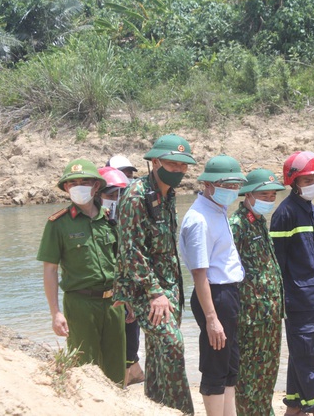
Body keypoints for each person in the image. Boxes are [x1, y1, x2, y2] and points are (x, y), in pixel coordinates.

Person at [112, 135, 195, 413]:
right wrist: (154, 292)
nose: (179, 171)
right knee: (173, 346)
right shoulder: (136, 196)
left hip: (169, 289)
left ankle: (156, 407)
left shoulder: (167, 195)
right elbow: (131, 251)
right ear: (155, 162)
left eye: (184, 166)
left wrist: (168, 292)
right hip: (148, 291)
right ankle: (182, 411)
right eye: (173, 164)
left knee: (160, 356)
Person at [36, 159, 126, 384]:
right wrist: (55, 313)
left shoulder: (110, 220)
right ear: (66, 188)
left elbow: (121, 262)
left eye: (84, 181)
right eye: (72, 183)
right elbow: (50, 270)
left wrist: (128, 297)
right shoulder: (58, 223)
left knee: (116, 370)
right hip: (80, 306)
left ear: (96, 186)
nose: (78, 186)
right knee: (84, 371)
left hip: (114, 303)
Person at [179, 154, 247, 416]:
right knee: (215, 362)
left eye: (234, 186)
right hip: (214, 296)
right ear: (207, 185)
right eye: (225, 186)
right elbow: (200, 274)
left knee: (230, 363)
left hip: (227, 293)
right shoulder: (199, 219)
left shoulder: (217, 211)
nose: (231, 191)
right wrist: (211, 318)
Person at [270, 151, 314, 416]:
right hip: (298, 298)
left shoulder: (310, 208)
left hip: (313, 294)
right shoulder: (285, 213)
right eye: (307, 179)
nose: (313, 183)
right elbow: (278, 261)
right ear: (293, 182)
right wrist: (282, 299)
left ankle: (293, 407)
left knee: (301, 352)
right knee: (309, 355)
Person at [229, 168, 286, 416]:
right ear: (249, 195)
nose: (269, 200)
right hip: (250, 317)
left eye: (273, 195)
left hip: (270, 315)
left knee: (268, 370)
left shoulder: (259, 222)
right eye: (264, 194)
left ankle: (264, 411)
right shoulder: (237, 224)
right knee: (249, 374)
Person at [98, 166, 145, 386]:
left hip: (126, 294)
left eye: (120, 194)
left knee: (130, 338)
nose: (115, 200)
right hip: (99, 297)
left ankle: (129, 373)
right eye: (110, 195)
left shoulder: (127, 222)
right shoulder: (92, 224)